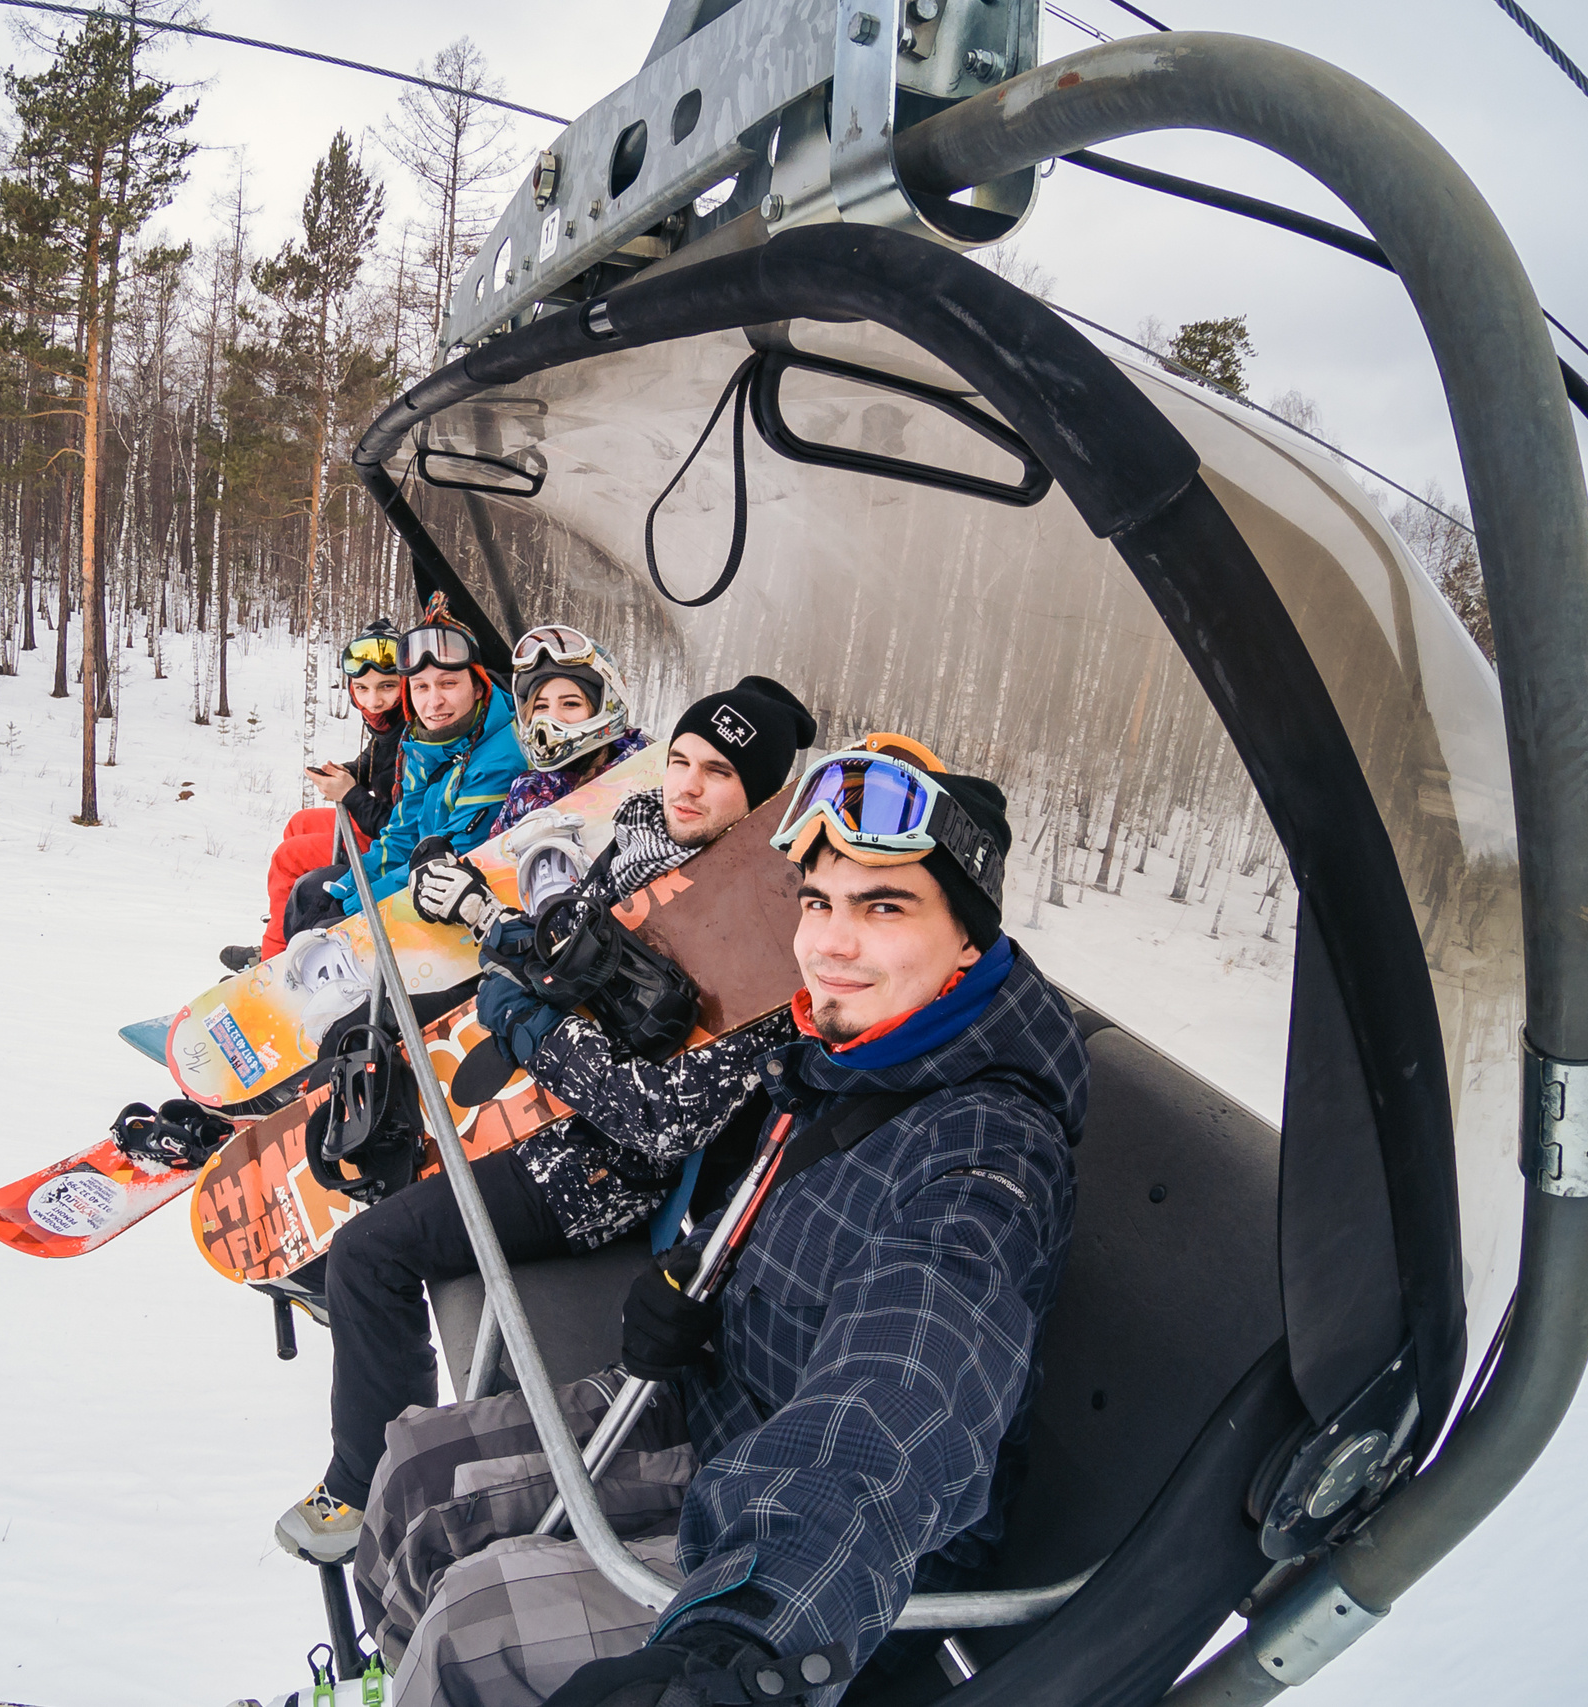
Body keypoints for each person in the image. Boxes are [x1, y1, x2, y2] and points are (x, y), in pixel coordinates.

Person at [347, 735, 1091, 1707]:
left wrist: (738, 1647)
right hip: (720, 1395)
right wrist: (701, 1271)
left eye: (885, 906)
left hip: (813, 1550)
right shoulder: (854, 1055)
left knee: (477, 1628)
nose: (828, 940)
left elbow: (901, 1392)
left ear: (967, 933)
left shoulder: (985, 1162)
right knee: (412, 1475)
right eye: (817, 902)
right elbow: (794, 1207)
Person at [270, 677, 820, 1569]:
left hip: (594, 1173)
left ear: (755, 803)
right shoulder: (643, 843)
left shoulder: (760, 943)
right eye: (679, 759)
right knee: (372, 1141)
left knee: (372, 1254)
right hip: (535, 1108)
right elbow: (564, 950)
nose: (685, 785)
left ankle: (364, 1480)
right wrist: (498, 936)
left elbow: (655, 1120)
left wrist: (532, 1025)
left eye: (716, 774)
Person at [282, 596, 528, 945]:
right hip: (414, 879)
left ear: (477, 686)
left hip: (451, 903)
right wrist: (349, 887)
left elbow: (450, 861)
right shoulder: (422, 744)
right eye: (421, 687)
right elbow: (401, 836)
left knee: (323, 918)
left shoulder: (500, 759)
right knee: (311, 892)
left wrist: (352, 911)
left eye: (448, 684)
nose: (433, 702)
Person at [223, 620, 409, 972]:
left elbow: (402, 825)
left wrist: (351, 793)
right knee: (300, 823)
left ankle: (274, 960)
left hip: (393, 844)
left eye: (387, 687)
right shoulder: (389, 725)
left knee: (289, 858)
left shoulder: (412, 727)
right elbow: (375, 762)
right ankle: (282, 930)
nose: (374, 700)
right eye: (363, 688)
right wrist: (347, 772)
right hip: (380, 824)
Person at [486, 625, 649, 840]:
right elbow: (493, 860)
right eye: (541, 707)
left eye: (570, 704)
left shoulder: (646, 778)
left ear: (604, 707)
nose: (553, 718)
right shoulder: (526, 789)